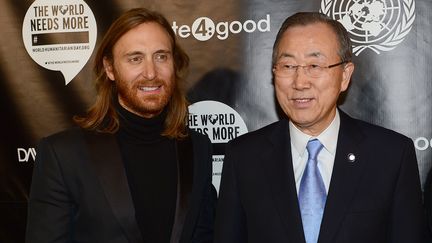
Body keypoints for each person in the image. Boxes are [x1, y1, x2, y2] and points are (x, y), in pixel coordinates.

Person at [214, 12, 424, 243]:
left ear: (345, 76)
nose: (300, 82)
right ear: (274, 73)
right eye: (287, 65)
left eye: (314, 65)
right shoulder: (244, 156)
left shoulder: (391, 155)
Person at [26, 8, 216, 243]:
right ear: (110, 68)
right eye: (135, 58)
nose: (150, 73)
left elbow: (205, 235)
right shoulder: (63, 154)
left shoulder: (197, 146)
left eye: (161, 56)